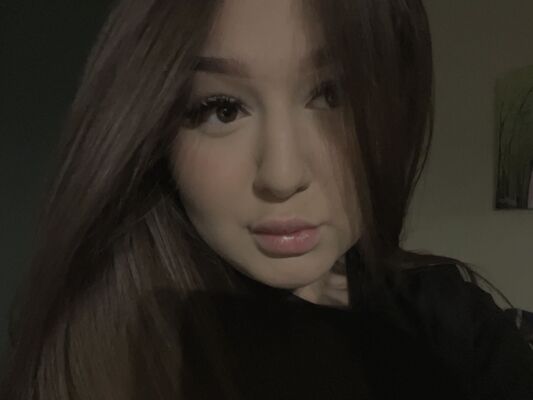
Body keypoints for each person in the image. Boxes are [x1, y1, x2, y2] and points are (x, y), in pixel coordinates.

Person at [0, 0, 532, 399]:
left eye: (334, 94)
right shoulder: (97, 356)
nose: (282, 175)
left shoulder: (444, 313)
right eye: (222, 108)